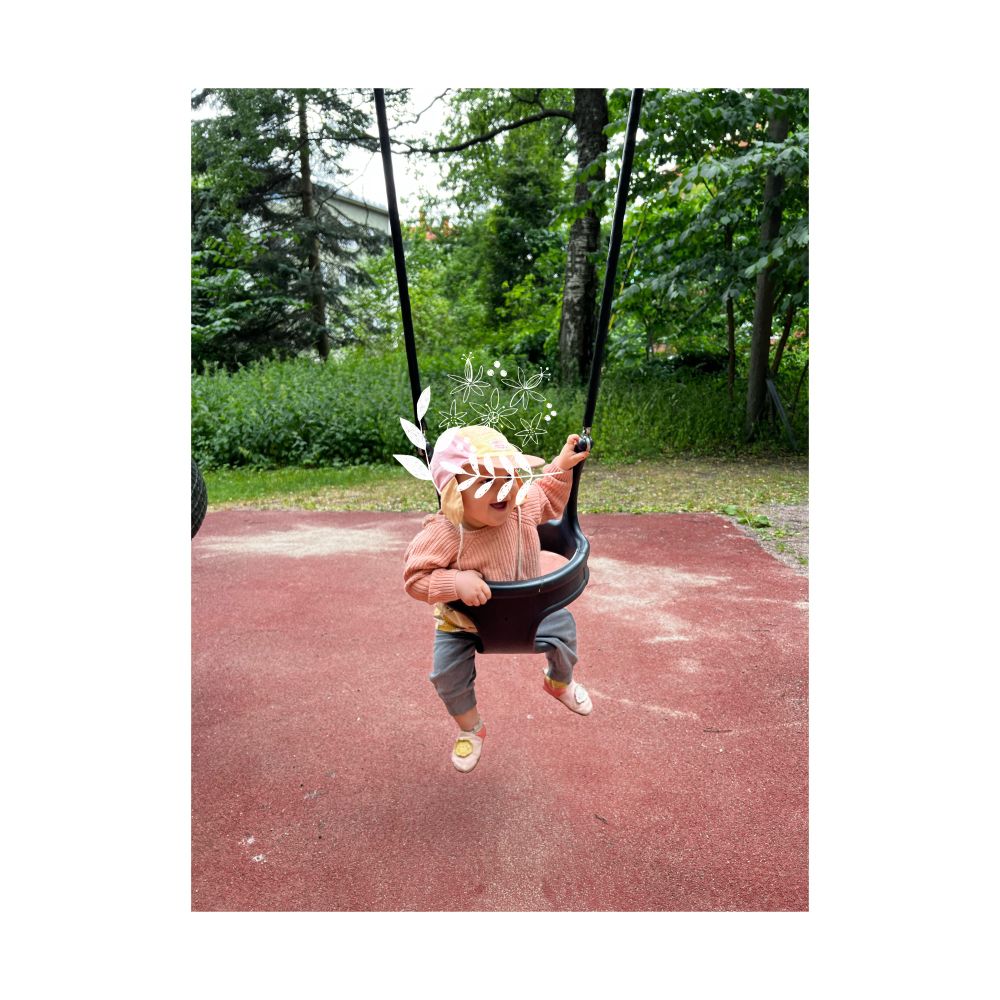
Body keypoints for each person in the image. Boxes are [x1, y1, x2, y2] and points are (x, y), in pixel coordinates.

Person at [403, 424, 593, 773]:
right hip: (463, 623)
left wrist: (562, 464)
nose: (503, 488)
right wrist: (454, 582)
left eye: (509, 476)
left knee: (564, 631)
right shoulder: (443, 534)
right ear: (453, 491)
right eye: (487, 481)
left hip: (530, 614)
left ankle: (558, 681)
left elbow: (548, 493)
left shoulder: (522, 508)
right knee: (445, 675)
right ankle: (471, 728)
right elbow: (415, 579)